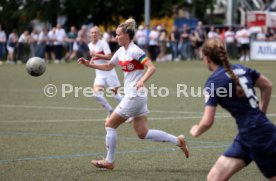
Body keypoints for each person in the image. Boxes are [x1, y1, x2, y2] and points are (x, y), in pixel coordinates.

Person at [78, 18, 189, 169]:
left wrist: (142, 80)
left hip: (134, 95)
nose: (115, 37)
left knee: (109, 124)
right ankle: (178, 141)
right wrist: (88, 64)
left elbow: (151, 67)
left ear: (126, 36)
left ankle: (109, 161)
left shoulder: (135, 51)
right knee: (143, 133)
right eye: (115, 35)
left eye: (118, 35)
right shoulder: (121, 51)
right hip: (137, 96)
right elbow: (109, 66)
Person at [189, 38, 276, 180]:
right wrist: (261, 113)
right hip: (247, 136)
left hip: (258, 137)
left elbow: (207, 121)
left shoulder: (213, 82)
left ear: (206, 59)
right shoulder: (242, 69)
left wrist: (196, 130)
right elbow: (267, 85)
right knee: (214, 178)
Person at [87, 26, 123, 119]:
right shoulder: (90, 45)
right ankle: (110, 111)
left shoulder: (103, 43)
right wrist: (91, 60)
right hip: (99, 74)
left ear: (99, 34)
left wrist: (95, 54)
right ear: (90, 34)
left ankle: (129, 112)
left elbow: (109, 56)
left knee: (116, 96)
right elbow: (94, 56)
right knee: (96, 95)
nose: (94, 34)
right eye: (92, 32)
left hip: (109, 72)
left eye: (96, 32)